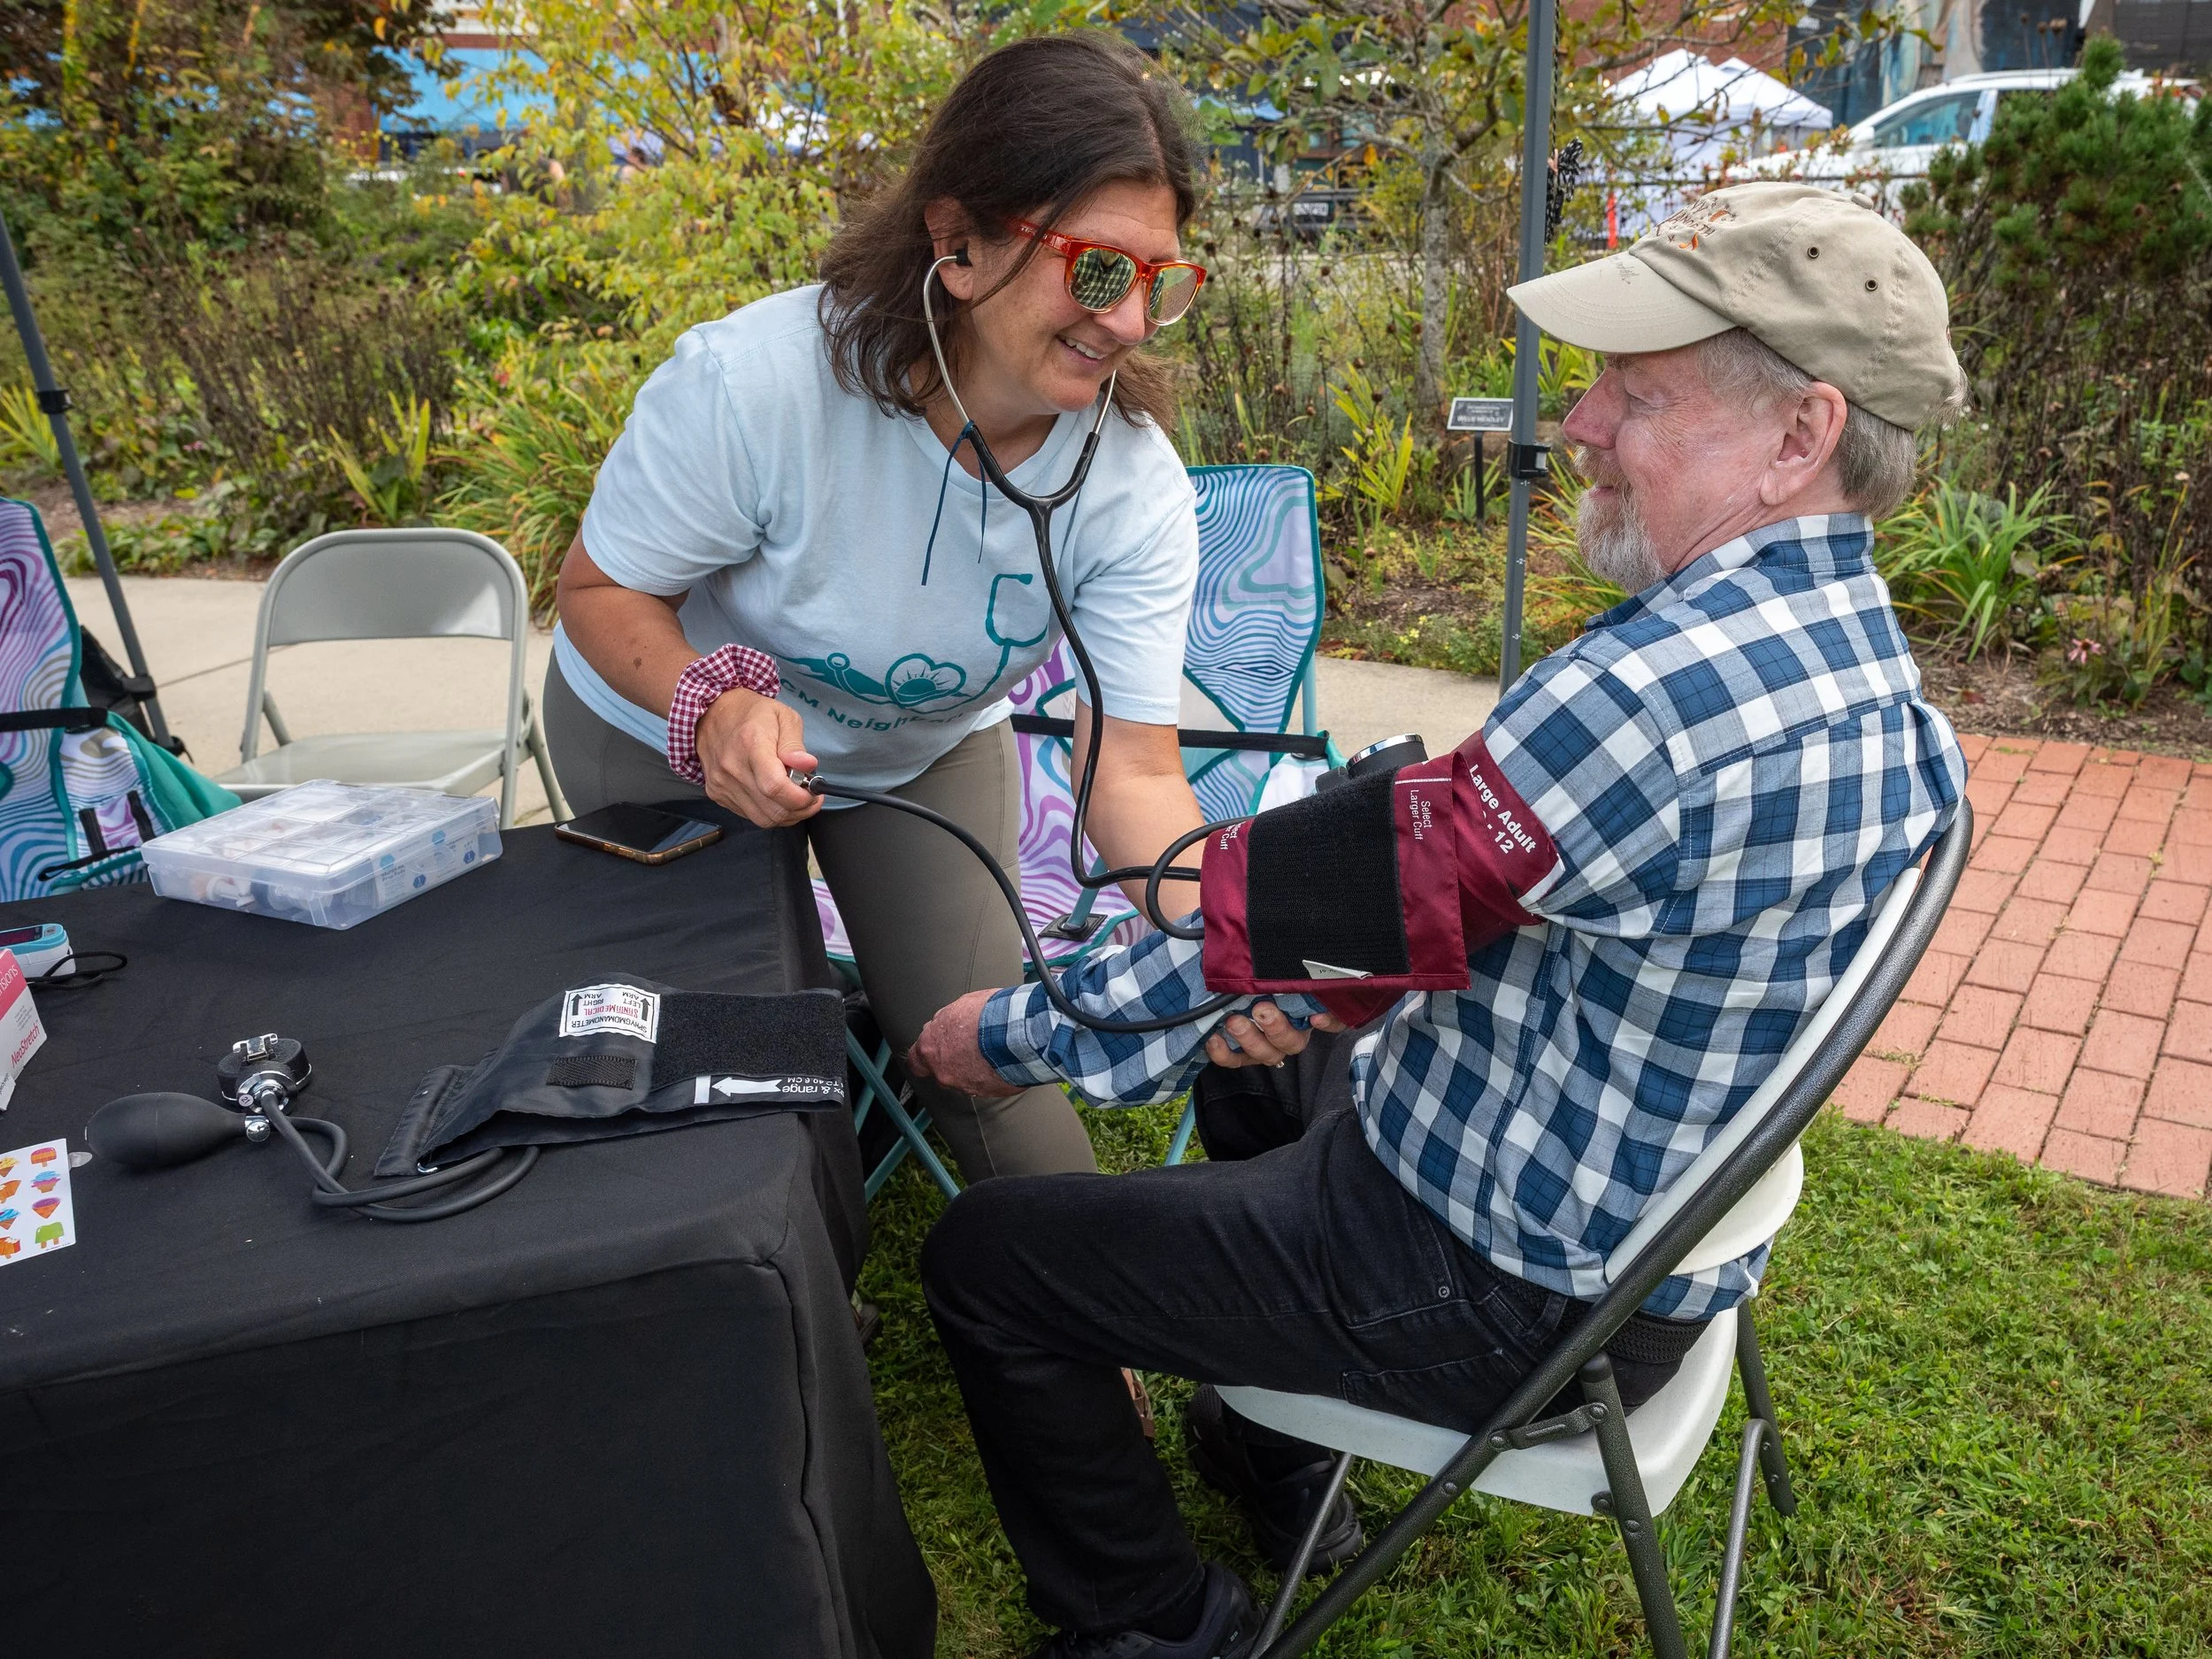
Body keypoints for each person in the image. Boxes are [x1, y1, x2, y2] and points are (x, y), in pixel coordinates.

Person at [906, 181, 1972, 1659]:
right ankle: (1281, 1466)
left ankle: (1155, 1620)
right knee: (1261, 1047)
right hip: (1641, 1241)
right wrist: (1333, 977)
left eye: (1638, 394)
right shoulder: (1894, 700)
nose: (1582, 424)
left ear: (1804, 437)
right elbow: (1419, 902)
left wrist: (1001, 1036)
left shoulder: (1648, 696)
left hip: (1497, 1288)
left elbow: (1285, 909)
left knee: (991, 1260)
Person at [545, 34, 1221, 1185]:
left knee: (991, 1066)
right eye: (1102, 270)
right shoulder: (752, 387)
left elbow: (1138, 780)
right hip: (662, 728)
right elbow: (601, 590)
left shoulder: (1134, 488)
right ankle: (780, 1299)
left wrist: (1237, 933)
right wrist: (711, 706)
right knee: (706, 1060)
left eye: (1162, 280)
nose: (1132, 323)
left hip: (916, 759)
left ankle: (1090, 1338)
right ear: (958, 243)